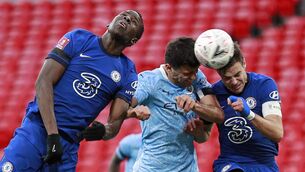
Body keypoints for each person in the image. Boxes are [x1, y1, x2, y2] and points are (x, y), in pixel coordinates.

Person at [0, 10, 150, 172]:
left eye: (133, 21)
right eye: (124, 15)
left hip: (68, 147)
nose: (126, 18)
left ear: (133, 41)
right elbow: (44, 82)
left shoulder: (127, 73)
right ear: (109, 23)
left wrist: (102, 131)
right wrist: (52, 135)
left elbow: (114, 125)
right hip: (37, 131)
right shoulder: (78, 39)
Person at [129, 37, 224, 172]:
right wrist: (133, 112)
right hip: (151, 168)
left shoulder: (197, 78)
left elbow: (218, 115)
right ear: (168, 67)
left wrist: (195, 106)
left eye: (195, 71)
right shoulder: (149, 81)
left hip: (188, 168)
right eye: (187, 73)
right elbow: (122, 108)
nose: (193, 77)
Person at [211, 42, 284, 172]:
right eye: (227, 78)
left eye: (237, 74)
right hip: (230, 162)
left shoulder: (264, 85)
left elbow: (277, 133)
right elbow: (202, 136)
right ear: (219, 74)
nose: (234, 82)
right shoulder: (214, 92)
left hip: (264, 164)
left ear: (244, 63)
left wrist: (248, 113)